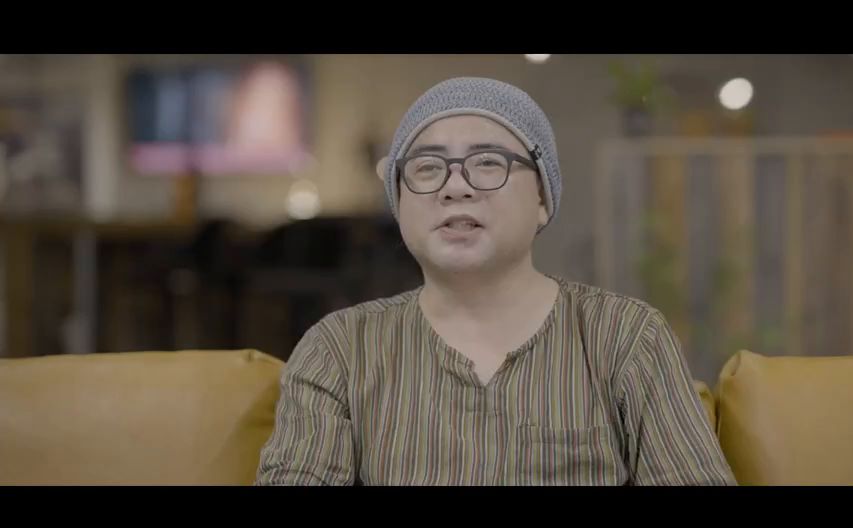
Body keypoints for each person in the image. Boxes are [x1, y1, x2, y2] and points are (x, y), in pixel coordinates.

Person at [255, 77, 736, 486]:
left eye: (488, 162)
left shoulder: (626, 336)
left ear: (543, 198)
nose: (455, 186)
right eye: (427, 167)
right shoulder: (339, 349)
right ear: (399, 204)